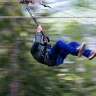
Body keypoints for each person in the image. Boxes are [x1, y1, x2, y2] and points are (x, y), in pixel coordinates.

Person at [30, 25, 96, 67]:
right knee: (59, 42)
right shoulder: (33, 49)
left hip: (58, 58)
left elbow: (52, 50)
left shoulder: (44, 47)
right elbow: (36, 43)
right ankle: (76, 51)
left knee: (73, 44)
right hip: (50, 59)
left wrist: (46, 43)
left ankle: (88, 53)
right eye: (41, 39)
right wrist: (38, 31)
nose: (43, 40)